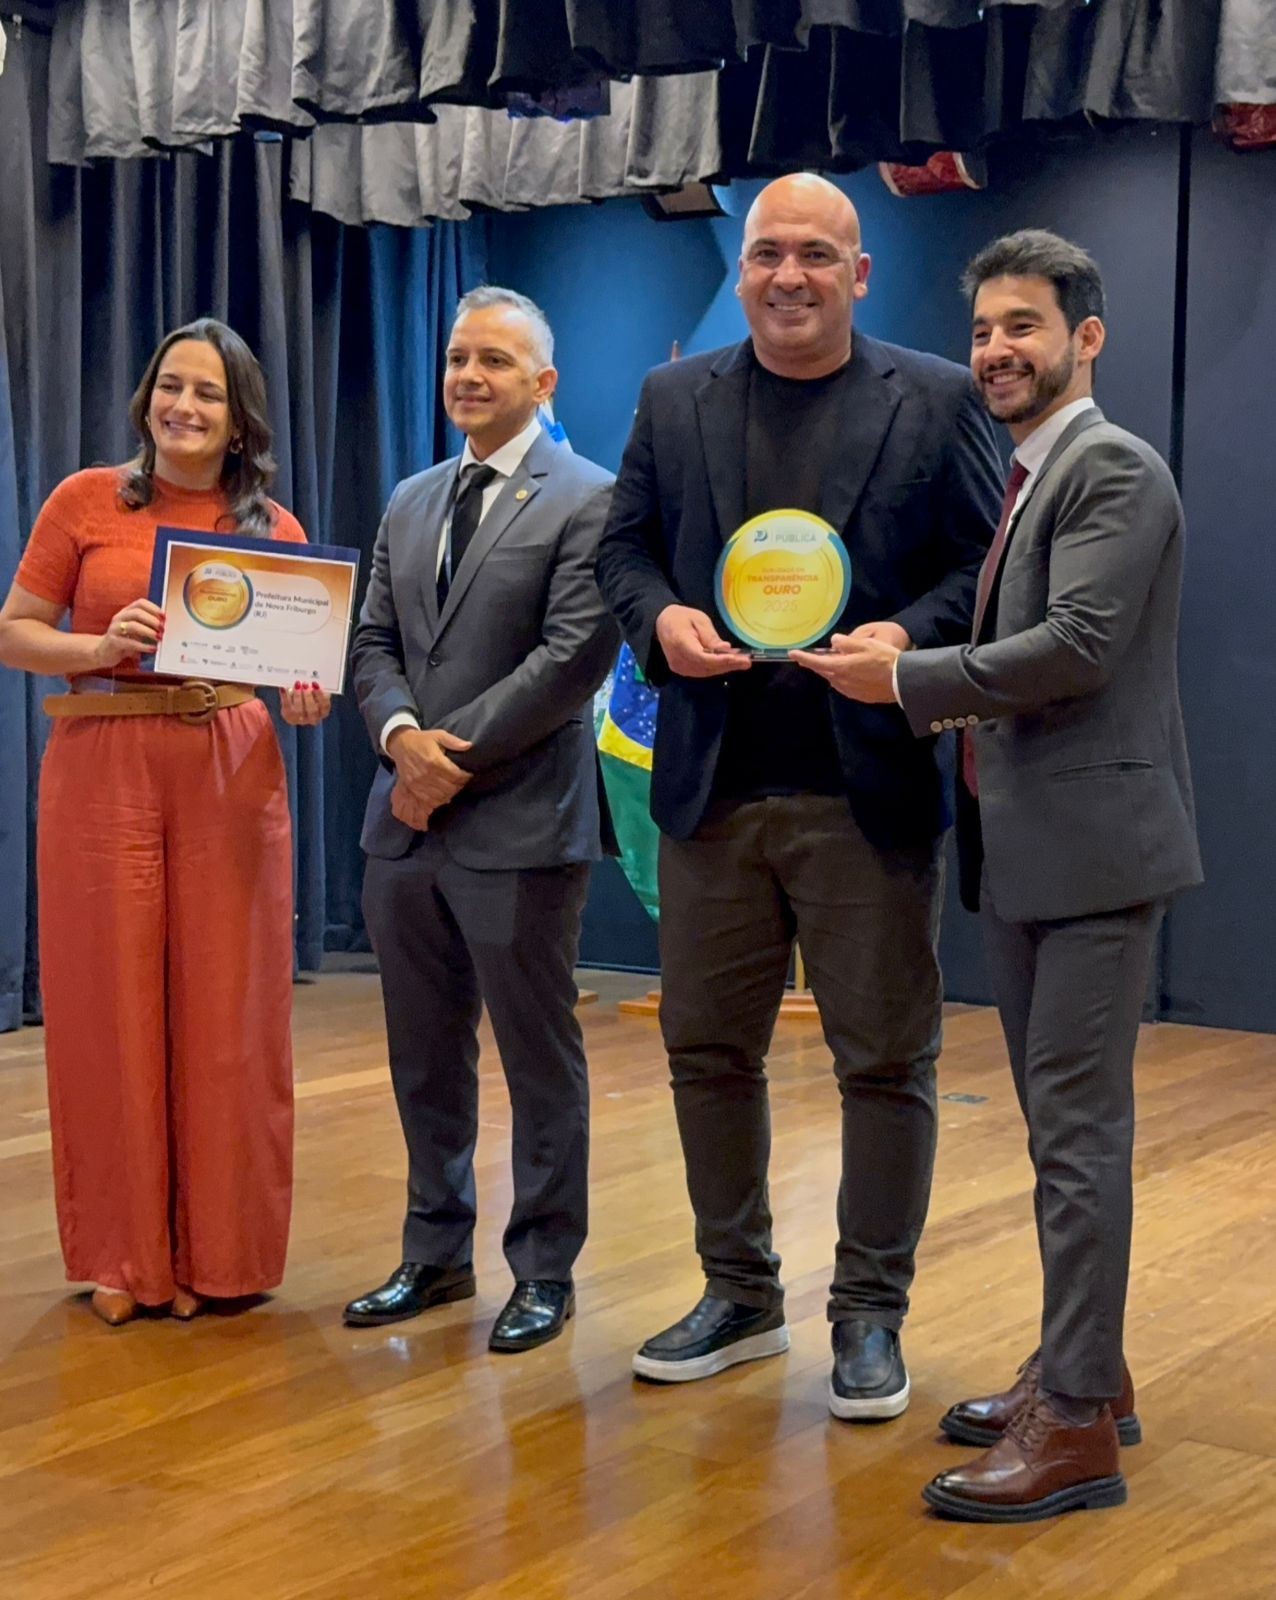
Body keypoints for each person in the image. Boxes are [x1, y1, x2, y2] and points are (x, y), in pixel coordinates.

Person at [594, 173, 1002, 1413]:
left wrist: (906, 634)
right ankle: (739, 1295)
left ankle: (869, 1314)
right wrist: (660, 619)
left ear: (858, 273)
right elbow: (622, 547)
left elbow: (984, 564)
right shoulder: (673, 398)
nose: (788, 275)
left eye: (816, 255)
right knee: (705, 1051)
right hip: (712, 788)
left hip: (863, 790)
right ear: (743, 271)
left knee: (884, 1060)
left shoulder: (937, 397)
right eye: (768, 252)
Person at [817, 229, 1202, 1520]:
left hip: (1093, 855)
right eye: (983, 329)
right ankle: (1086, 1366)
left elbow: (1077, 646)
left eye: (1022, 326)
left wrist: (904, 679)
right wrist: (911, 659)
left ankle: (1076, 1424)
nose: (995, 351)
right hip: (1038, 852)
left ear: (1086, 338)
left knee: (1077, 1139)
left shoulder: (1111, 469)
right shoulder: (1040, 474)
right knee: (1060, 1134)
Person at [0, 318, 330, 1326]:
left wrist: (306, 697)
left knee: (231, 1012)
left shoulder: (272, 527)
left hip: (228, 761)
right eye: (171, 386)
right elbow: (15, 633)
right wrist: (97, 644)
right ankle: (124, 1254)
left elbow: (300, 670)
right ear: (147, 397)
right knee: (107, 1006)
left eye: (208, 394)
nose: (183, 406)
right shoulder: (84, 500)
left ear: (239, 420)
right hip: (102, 758)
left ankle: (223, 1255)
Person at [345, 286, 617, 1353]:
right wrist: (400, 739)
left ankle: (544, 1269)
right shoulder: (411, 498)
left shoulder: (590, 498)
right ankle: (435, 1252)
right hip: (403, 824)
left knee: (537, 1057)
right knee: (423, 1053)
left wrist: (440, 761)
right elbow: (371, 643)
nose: (468, 375)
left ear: (542, 383)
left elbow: (572, 657)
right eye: (459, 356)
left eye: (494, 360)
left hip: (520, 822)